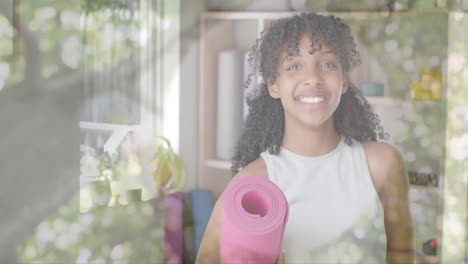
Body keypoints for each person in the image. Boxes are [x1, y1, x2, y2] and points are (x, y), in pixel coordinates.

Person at [196, 12, 414, 263]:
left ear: (343, 80)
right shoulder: (251, 184)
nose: (313, 78)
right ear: (273, 85)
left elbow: (402, 256)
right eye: (294, 66)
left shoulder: (383, 164)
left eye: (327, 64)